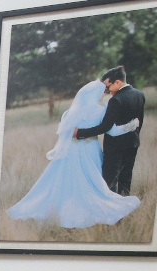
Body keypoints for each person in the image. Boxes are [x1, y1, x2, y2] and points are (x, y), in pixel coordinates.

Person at [8, 78, 141, 229]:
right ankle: (90, 209)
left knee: (69, 182)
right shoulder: (101, 109)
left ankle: (65, 207)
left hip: (71, 151)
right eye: (102, 92)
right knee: (93, 183)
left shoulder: (69, 112)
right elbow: (112, 131)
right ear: (97, 94)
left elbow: (65, 132)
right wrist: (132, 125)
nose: (103, 95)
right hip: (90, 150)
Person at [73, 66, 146, 196]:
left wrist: (80, 133)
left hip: (115, 147)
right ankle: (124, 206)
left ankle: (111, 210)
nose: (106, 90)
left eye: (108, 86)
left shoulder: (116, 100)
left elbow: (105, 127)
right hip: (133, 144)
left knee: (110, 181)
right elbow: (140, 122)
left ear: (117, 82)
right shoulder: (140, 94)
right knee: (126, 177)